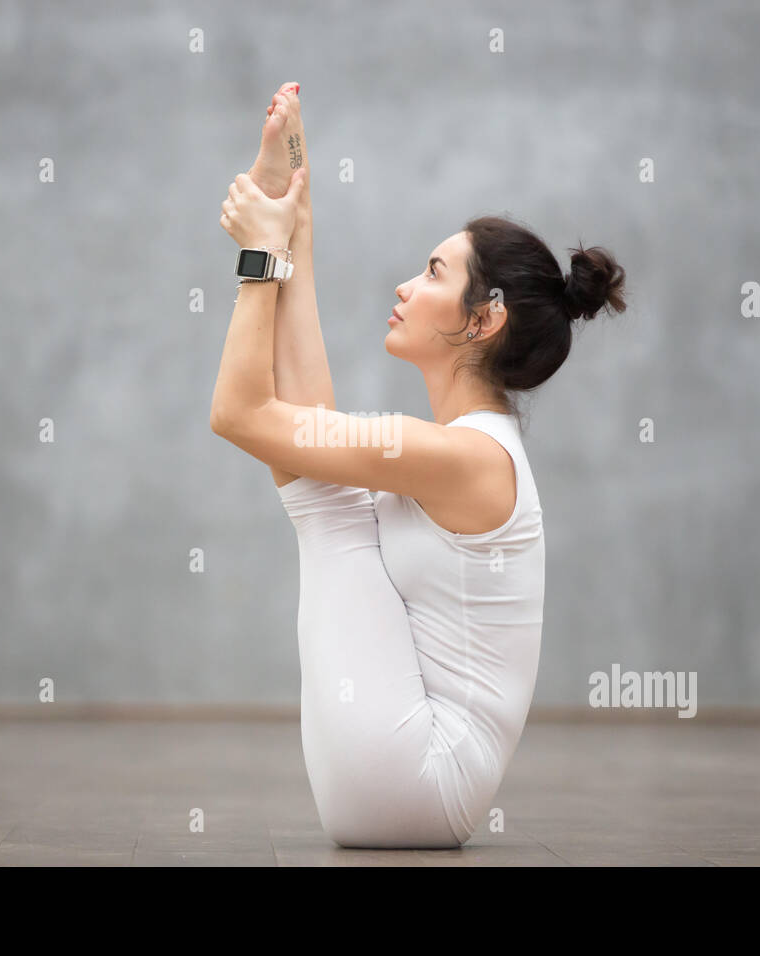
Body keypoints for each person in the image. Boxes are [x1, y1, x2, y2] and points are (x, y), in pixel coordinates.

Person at [211, 83, 627, 847]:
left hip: (417, 781)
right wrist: (291, 208)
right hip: (404, 780)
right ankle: (286, 218)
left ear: (484, 317)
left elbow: (240, 416)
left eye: (434, 273)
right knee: (330, 500)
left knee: (331, 512)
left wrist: (260, 258)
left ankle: (278, 231)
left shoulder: (461, 457)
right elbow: (304, 436)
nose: (406, 286)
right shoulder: (461, 450)